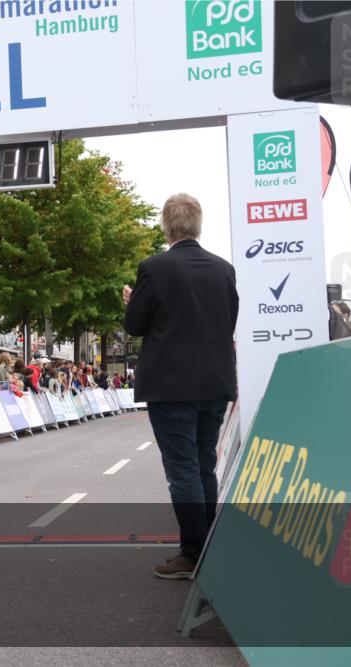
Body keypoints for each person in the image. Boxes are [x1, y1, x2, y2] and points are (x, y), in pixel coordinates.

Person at [123, 193, 238, 580]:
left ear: (166, 226)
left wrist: (131, 301)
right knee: (204, 464)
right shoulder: (224, 269)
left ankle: (193, 554)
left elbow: (135, 325)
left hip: (171, 386)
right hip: (215, 382)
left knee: (182, 470)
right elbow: (229, 320)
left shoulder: (155, 268)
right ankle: (207, 547)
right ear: (198, 225)